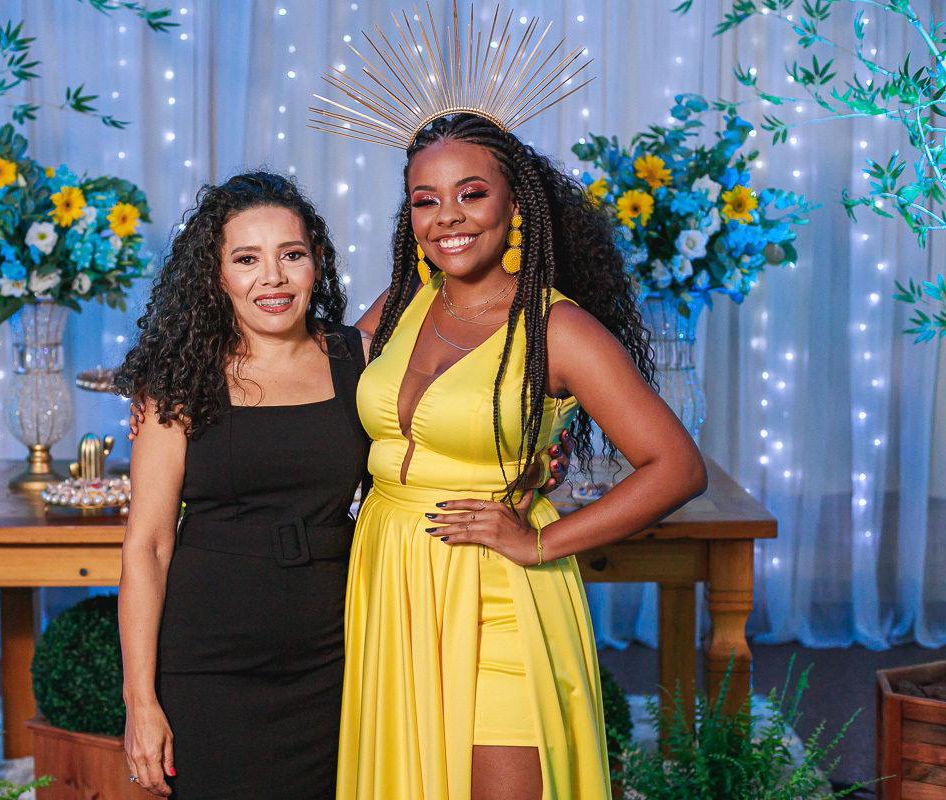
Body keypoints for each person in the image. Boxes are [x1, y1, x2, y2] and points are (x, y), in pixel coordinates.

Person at [115, 171, 574, 799]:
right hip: (207, 656)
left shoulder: (362, 357)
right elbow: (147, 547)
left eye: (291, 255)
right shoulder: (176, 381)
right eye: (246, 259)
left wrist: (537, 458)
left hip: (339, 647)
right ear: (214, 275)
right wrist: (140, 702)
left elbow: (445, 423)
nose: (272, 278)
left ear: (317, 263)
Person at [331, 110, 709, 799]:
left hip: (497, 593)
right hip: (391, 582)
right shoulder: (404, 301)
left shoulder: (558, 328)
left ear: (516, 207)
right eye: (425, 200)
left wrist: (542, 543)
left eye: (472, 193)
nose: (448, 217)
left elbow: (677, 468)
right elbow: (315, 398)